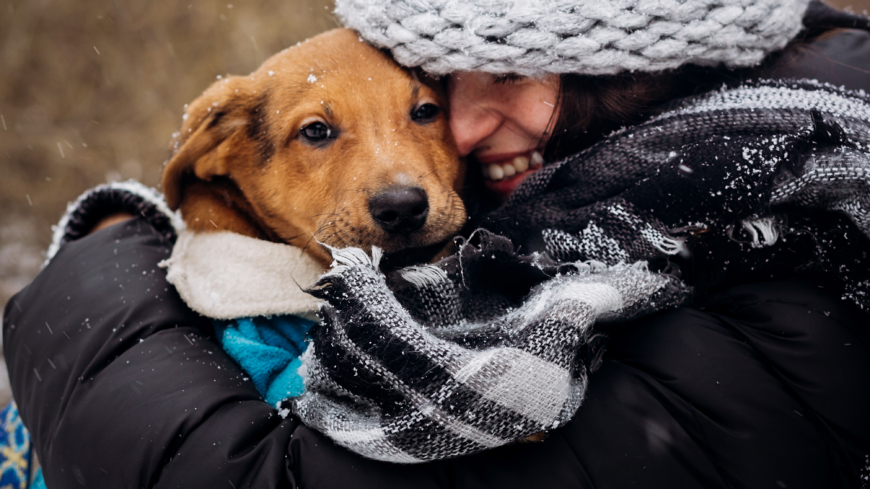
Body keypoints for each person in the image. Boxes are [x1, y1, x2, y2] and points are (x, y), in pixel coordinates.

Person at [4, 1, 870, 488]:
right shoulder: (582, 211)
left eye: (422, 107)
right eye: (444, 92)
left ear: (629, 77)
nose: (455, 131)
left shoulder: (775, 275)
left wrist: (103, 259)